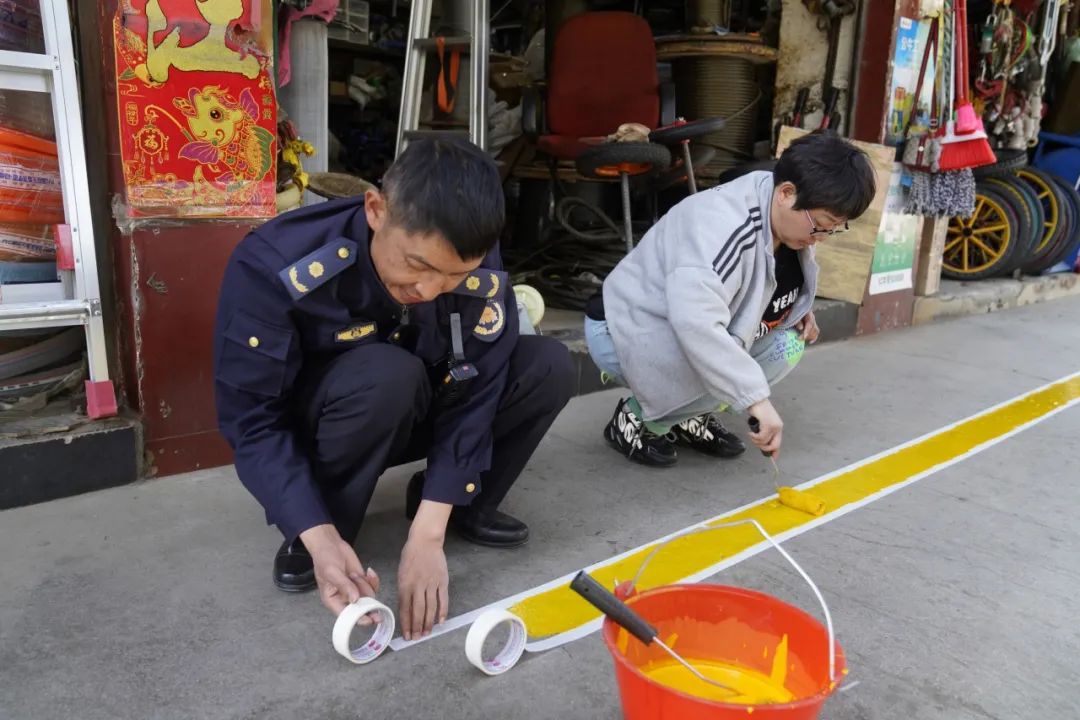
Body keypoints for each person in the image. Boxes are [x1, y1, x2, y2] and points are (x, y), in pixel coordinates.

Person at [212, 138, 574, 640]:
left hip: (424, 401)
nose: (429, 290)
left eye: (455, 276)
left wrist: (429, 534)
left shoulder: (472, 250)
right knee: (388, 374)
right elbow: (254, 422)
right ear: (375, 210)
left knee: (548, 365)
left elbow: (480, 386)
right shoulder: (275, 264)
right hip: (340, 417)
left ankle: (459, 502)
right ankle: (326, 527)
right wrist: (315, 532)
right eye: (418, 265)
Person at [583, 131, 876, 466]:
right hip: (623, 328)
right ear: (787, 193)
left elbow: (761, 285)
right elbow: (696, 325)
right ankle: (638, 420)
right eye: (822, 225)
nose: (822, 238)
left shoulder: (780, 213)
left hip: (675, 322)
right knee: (723, 368)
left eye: (834, 228)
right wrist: (755, 400)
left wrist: (795, 310)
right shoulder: (722, 226)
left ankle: (686, 414)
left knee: (787, 346)